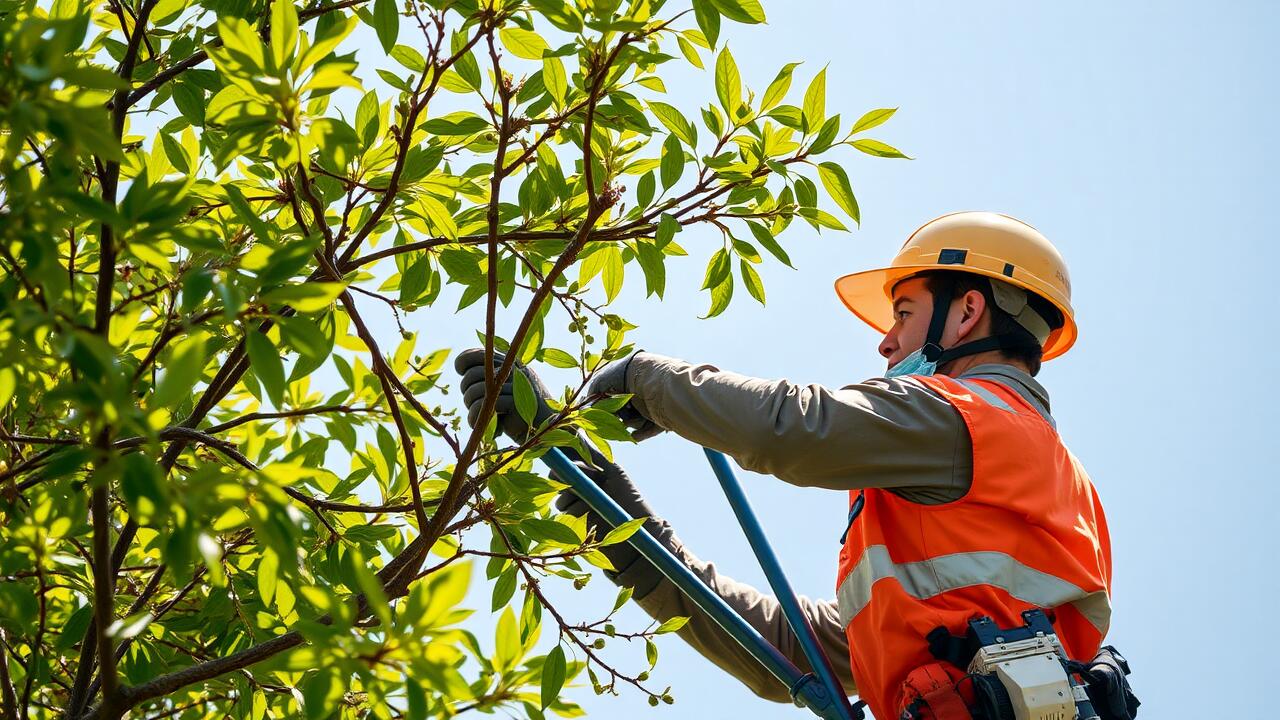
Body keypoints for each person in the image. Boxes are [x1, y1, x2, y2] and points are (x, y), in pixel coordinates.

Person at [456, 212, 1130, 719]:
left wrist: (647, 379)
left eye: (904, 313)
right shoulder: (1054, 490)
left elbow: (794, 427)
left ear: (967, 315)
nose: (886, 341)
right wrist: (606, 502)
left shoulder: (966, 419)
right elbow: (788, 649)